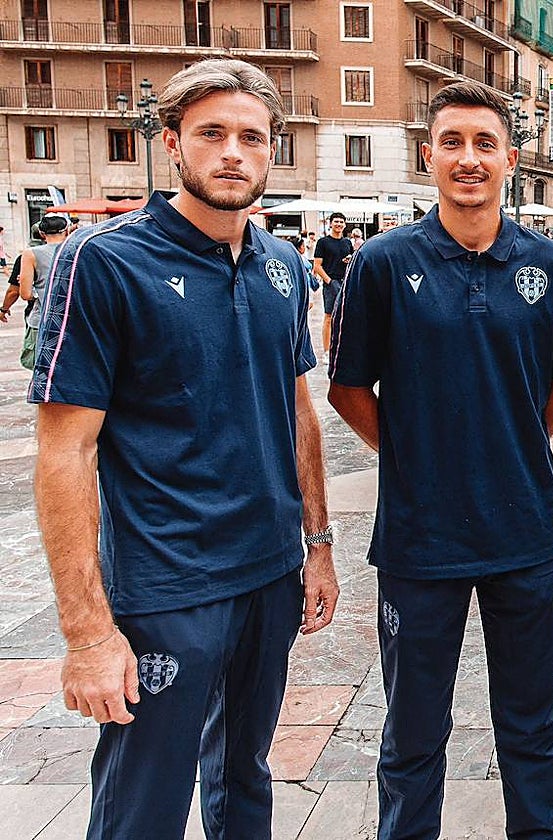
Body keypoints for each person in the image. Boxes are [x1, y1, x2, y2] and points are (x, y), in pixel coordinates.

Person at [27, 58, 338, 840]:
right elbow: (64, 453)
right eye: (211, 134)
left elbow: (298, 411)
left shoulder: (282, 265)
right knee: (145, 802)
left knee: (245, 779)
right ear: (172, 143)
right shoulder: (107, 261)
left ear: (272, 150)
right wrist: (88, 635)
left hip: (270, 575)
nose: (233, 152)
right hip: (168, 588)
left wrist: (319, 545)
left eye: (251, 137)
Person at [327, 81, 553, 840]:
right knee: (412, 726)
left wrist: (509, 440)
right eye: (452, 143)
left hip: (522, 532)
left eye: (484, 144)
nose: (469, 159)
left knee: (533, 720)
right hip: (419, 537)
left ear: (510, 158)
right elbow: (346, 388)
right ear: (428, 155)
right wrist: (414, 450)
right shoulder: (381, 263)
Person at [18, 213, 69, 370]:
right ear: (66, 231)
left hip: (42, 319)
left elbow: (25, 294)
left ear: (42, 233)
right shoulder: (76, 250)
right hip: (71, 320)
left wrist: (38, 290)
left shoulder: (31, 254)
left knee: (41, 369)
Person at [312, 210, 353, 352]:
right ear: (330, 224)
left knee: (345, 316)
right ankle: (326, 351)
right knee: (329, 316)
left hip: (345, 283)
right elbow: (317, 266)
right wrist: (329, 282)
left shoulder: (347, 242)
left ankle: (342, 348)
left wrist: (349, 260)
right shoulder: (323, 242)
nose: (339, 224)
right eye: (336, 221)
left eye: (341, 222)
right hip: (330, 283)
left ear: (345, 225)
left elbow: (351, 261)